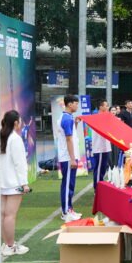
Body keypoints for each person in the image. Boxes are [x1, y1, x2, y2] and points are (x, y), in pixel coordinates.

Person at [0, 110, 30, 256]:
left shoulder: (1, 137)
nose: (21, 123)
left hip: (1, 182)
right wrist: (24, 183)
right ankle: (10, 246)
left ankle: (7, 244)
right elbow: (20, 163)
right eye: (20, 121)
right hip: (14, 183)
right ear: (16, 123)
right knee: (9, 215)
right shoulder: (15, 139)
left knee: (3, 215)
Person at [56, 94, 81, 222]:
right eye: (76, 104)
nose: (77, 106)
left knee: (70, 183)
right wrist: (72, 159)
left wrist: (75, 124)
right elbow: (68, 139)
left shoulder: (68, 117)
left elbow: (71, 135)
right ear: (70, 104)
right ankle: (66, 212)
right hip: (68, 157)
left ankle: (69, 209)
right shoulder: (66, 119)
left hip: (69, 155)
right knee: (67, 184)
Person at [91, 100, 112, 186]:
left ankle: (101, 185)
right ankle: (97, 187)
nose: (107, 107)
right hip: (99, 147)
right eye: (106, 106)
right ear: (101, 107)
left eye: (107, 106)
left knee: (103, 168)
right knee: (98, 168)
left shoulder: (107, 117)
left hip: (106, 146)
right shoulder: (96, 117)